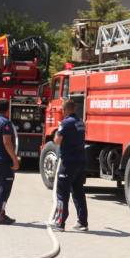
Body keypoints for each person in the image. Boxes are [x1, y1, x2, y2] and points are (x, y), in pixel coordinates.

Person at [50, 99, 88, 232]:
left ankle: (60, 223)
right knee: (78, 192)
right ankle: (82, 222)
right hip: (80, 161)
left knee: (62, 193)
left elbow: (57, 141)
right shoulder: (80, 122)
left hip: (68, 163)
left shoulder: (66, 123)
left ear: (65, 110)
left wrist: (57, 131)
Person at [0, 98, 20, 224]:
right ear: (8, 109)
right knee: (5, 188)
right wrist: (15, 159)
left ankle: (0, 212)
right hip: (3, 160)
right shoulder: (5, 123)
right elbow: (7, 142)